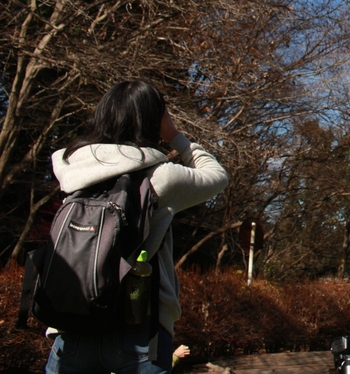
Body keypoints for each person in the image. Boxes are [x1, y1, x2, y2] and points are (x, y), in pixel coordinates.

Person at [45, 81, 228, 374]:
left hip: (71, 321)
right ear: (155, 120)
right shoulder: (160, 177)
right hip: (140, 325)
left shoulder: (68, 165)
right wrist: (175, 136)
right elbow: (216, 176)